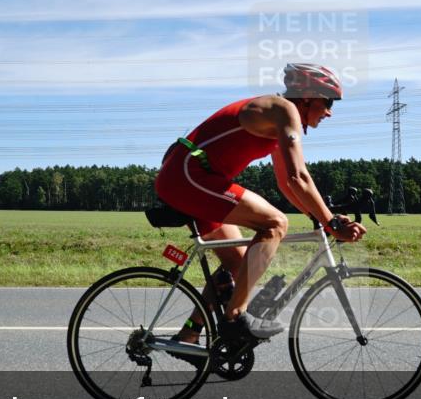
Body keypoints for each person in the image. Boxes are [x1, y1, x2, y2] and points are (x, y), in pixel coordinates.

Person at [154, 63, 367, 348]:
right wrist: (332, 223)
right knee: (276, 223)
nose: (329, 111)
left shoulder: (278, 119)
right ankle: (234, 318)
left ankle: (190, 334)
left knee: (241, 265)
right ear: (306, 97)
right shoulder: (284, 110)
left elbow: (287, 183)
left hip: (191, 177)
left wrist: (321, 217)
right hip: (189, 176)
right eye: (327, 102)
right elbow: (298, 177)